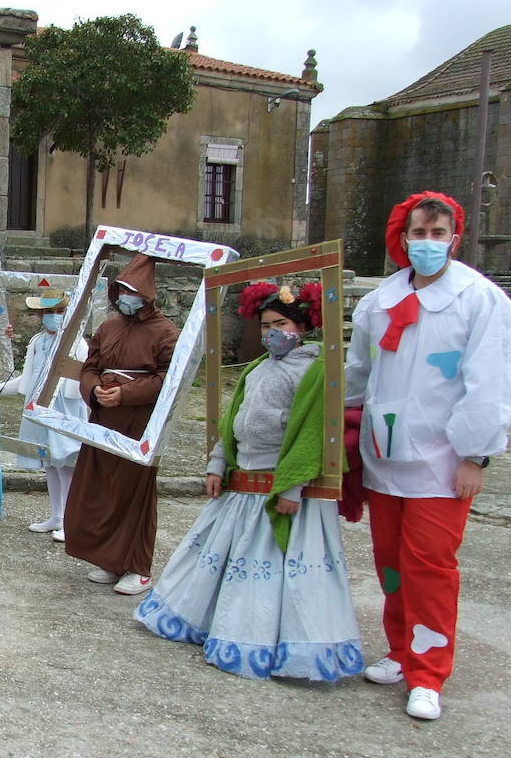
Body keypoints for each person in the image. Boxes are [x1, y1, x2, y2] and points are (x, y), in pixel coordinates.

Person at [134, 282, 365, 682]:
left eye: (280, 324)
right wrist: (217, 463)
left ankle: (259, 638)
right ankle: (206, 622)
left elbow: (313, 431)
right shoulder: (257, 369)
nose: (271, 332)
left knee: (269, 566)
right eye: (265, 325)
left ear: (301, 327)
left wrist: (292, 487)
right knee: (225, 557)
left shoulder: (316, 372)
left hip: (284, 485)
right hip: (244, 482)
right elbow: (232, 421)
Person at [345, 191, 511, 720]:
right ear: (402, 239)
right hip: (385, 456)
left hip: (441, 463)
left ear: (454, 239)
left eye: (437, 234)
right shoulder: (380, 301)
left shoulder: (481, 301)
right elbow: (358, 374)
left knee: (430, 565)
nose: (427, 243)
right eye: (418, 234)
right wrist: (342, 430)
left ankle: (428, 671)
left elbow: (488, 382)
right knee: (391, 563)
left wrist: (476, 454)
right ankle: (400, 649)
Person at [64, 254, 179, 593]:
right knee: (101, 490)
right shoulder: (109, 327)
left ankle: (137, 565)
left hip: (138, 421)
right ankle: (110, 560)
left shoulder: (165, 332)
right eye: (122, 290)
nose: (126, 296)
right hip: (103, 418)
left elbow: (168, 379)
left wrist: (126, 394)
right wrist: (94, 391)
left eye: (133, 290)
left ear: (146, 294)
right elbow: (90, 366)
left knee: (134, 491)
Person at [0, 289, 89, 541]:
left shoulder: (77, 343)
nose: (54, 317)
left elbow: (82, 379)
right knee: (48, 462)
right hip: (38, 407)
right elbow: (26, 379)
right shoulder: (38, 342)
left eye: (59, 311)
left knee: (65, 462)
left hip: (64, 408)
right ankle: (57, 516)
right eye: (49, 312)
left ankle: (71, 521)